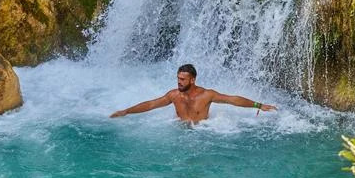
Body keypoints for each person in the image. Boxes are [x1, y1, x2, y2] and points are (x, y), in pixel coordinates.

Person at [110, 64, 277, 123]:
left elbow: (232, 100)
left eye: (183, 79)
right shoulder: (174, 95)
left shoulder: (206, 95)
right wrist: (127, 111)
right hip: (181, 132)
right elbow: (151, 104)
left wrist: (259, 105)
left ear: (192, 80)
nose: (179, 82)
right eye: (178, 78)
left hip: (203, 132)